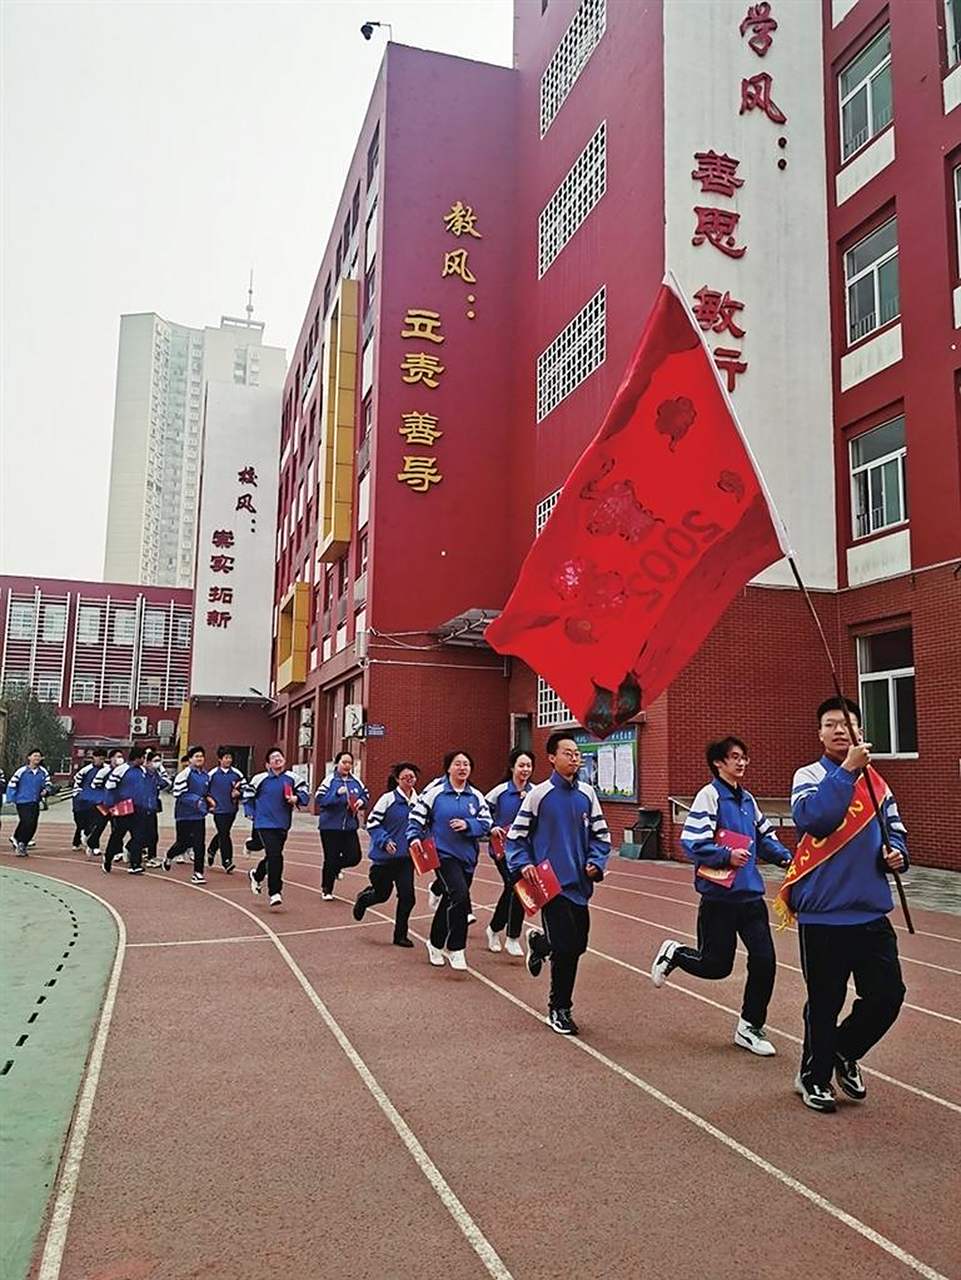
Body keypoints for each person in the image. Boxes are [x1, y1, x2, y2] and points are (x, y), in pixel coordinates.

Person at [786, 696, 908, 1114]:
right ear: (819, 733)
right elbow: (815, 820)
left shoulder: (878, 783)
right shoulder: (809, 775)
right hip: (824, 913)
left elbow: (895, 832)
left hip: (871, 911)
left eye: (848, 724)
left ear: (860, 731)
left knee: (888, 996)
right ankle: (814, 1077)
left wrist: (897, 854)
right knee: (824, 1000)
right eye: (831, 724)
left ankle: (842, 1050)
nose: (840, 730)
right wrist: (848, 770)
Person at [650, 736, 792, 1056]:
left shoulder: (748, 800)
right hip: (719, 899)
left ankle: (750, 1026)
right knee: (716, 966)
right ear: (718, 762)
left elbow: (765, 836)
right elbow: (693, 841)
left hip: (750, 898)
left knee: (765, 960)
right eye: (734, 757)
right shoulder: (709, 796)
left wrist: (785, 858)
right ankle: (675, 954)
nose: (741, 763)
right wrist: (726, 855)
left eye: (744, 757)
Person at [506, 733, 610, 1035]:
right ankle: (559, 1008)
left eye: (577, 753)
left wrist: (596, 862)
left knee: (578, 945)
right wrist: (523, 863)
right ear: (552, 758)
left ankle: (539, 943)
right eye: (568, 753)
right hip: (550, 884)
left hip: (580, 885)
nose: (574, 758)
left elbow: (601, 837)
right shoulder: (538, 795)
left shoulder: (587, 795)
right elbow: (517, 838)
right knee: (566, 948)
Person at [407, 750, 492, 971]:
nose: (462, 768)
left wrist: (468, 825)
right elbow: (416, 816)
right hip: (443, 854)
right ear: (448, 768)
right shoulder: (436, 793)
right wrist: (414, 837)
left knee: (449, 899)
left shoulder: (475, 796)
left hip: (467, 857)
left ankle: (434, 943)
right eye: (458, 764)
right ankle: (456, 949)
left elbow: (486, 823)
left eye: (466, 764)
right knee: (460, 895)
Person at [352, 762, 420, 947]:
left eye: (412, 777)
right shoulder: (388, 799)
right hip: (385, 859)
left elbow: (424, 825)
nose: (409, 781)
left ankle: (400, 935)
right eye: (405, 777)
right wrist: (385, 840)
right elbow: (372, 823)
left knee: (408, 897)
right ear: (397, 779)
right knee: (382, 895)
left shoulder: (419, 802)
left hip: (406, 859)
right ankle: (364, 899)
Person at [484, 749, 535, 957]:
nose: (525, 770)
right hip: (502, 850)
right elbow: (482, 812)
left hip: (525, 850)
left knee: (517, 888)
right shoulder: (500, 792)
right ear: (512, 767)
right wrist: (492, 827)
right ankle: (511, 936)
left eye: (529, 766)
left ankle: (496, 929)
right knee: (515, 886)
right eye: (521, 765)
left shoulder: (536, 792)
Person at [244, 747, 310, 906]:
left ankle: (257, 875)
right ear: (268, 764)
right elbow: (247, 796)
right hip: (264, 823)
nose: (277, 759)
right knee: (275, 856)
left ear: (284, 760)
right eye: (273, 757)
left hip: (282, 823)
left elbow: (305, 795)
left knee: (272, 855)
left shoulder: (293, 778)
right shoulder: (260, 779)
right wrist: (250, 812)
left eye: (279, 756)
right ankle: (275, 892)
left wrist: (296, 798)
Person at [315, 751, 369, 899]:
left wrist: (361, 802)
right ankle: (327, 889)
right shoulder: (330, 780)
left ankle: (335, 868)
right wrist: (336, 794)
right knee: (330, 857)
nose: (347, 766)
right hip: (330, 827)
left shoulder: (356, 781)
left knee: (354, 856)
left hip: (350, 826)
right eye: (344, 762)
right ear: (337, 763)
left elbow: (365, 795)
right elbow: (320, 800)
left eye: (350, 763)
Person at [165, 746, 213, 884]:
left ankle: (198, 873)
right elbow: (177, 793)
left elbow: (206, 792)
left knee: (199, 844)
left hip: (199, 816)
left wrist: (209, 801)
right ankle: (169, 856)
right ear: (190, 759)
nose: (199, 759)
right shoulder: (185, 774)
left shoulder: (205, 775)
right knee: (183, 843)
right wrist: (195, 801)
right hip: (184, 815)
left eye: (201, 756)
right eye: (196, 756)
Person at [102, 746, 154, 874]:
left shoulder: (144, 771)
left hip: (139, 809)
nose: (144, 760)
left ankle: (135, 864)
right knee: (117, 835)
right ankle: (108, 858)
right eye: (143, 758)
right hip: (123, 808)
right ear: (138, 758)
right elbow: (110, 786)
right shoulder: (121, 770)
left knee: (138, 836)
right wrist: (110, 805)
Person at [5, 750, 52, 856]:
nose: (37, 758)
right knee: (27, 821)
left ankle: (21, 841)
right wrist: (10, 798)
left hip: (35, 801)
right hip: (22, 801)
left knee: (33, 824)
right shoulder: (21, 771)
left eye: (39, 756)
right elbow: (12, 784)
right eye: (35, 756)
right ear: (29, 758)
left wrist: (46, 791)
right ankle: (21, 842)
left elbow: (48, 784)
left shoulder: (43, 772)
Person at [206, 746, 245, 873]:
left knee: (224, 832)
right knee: (224, 834)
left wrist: (239, 793)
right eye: (226, 758)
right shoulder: (212, 774)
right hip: (218, 809)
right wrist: (210, 803)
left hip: (231, 808)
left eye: (230, 757)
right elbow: (205, 790)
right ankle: (227, 861)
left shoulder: (237, 774)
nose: (228, 760)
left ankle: (212, 849)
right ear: (219, 759)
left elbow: (245, 789)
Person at [85, 749, 124, 858]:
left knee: (117, 827)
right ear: (111, 758)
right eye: (117, 756)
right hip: (104, 804)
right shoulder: (104, 771)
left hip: (117, 804)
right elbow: (94, 786)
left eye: (121, 756)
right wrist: (101, 799)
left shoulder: (123, 771)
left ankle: (117, 851)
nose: (119, 759)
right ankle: (91, 843)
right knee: (100, 826)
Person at [72, 748, 108, 851]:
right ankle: (77, 841)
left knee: (97, 823)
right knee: (82, 823)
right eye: (98, 758)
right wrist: (78, 796)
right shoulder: (85, 770)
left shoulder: (106, 769)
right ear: (93, 758)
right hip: (83, 801)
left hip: (98, 801)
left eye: (102, 759)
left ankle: (94, 845)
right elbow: (77, 783)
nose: (100, 761)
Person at [141, 751, 171, 867]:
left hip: (152, 807)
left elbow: (165, 783)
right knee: (141, 834)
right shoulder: (142, 775)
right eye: (155, 761)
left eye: (159, 761)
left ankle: (151, 857)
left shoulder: (156, 775)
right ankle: (131, 851)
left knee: (153, 834)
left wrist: (161, 771)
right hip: (142, 808)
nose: (157, 763)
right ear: (147, 762)